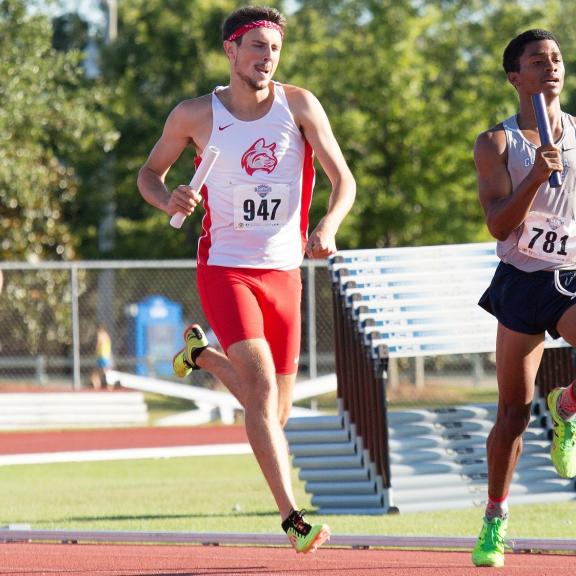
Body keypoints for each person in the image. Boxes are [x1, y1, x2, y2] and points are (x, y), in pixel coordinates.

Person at [137, 5, 356, 553]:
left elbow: (342, 178)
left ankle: (203, 358)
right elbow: (148, 173)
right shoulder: (194, 115)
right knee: (258, 392)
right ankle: (294, 520)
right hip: (226, 267)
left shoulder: (300, 105)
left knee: (273, 416)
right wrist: (170, 197)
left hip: (286, 272)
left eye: (274, 48)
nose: (266, 57)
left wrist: (329, 223)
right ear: (231, 51)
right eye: (256, 46)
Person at [473, 29, 576, 567]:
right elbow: (497, 224)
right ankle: (495, 517)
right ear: (516, 77)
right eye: (538, 61)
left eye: (556, 59)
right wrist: (535, 175)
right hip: (520, 280)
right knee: (512, 413)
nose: (551, 67)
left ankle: (568, 405)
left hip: (571, 273)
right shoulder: (496, 143)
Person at [90, 324, 113, 389]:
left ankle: (98, 385)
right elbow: (109, 347)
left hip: (101, 356)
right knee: (103, 371)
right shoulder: (107, 336)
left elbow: (98, 343)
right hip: (106, 356)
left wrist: (95, 351)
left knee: (98, 372)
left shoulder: (100, 334)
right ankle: (100, 385)